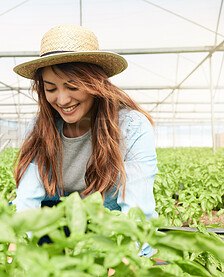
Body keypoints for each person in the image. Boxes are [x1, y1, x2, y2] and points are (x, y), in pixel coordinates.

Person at [11, 25, 158, 257]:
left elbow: (137, 209)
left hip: (107, 225)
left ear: (95, 82)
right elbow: (28, 198)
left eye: (72, 86)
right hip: (52, 225)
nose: (62, 99)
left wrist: (128, 258)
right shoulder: (42, 125)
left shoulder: (130, 126)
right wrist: (16, 248)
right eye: (50, 89)